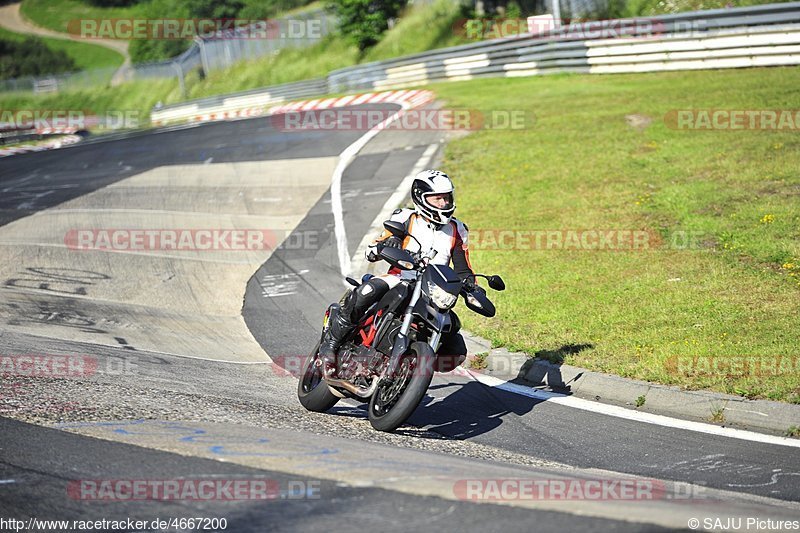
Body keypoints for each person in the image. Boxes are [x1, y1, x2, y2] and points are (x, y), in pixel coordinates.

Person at [319, 169, 479, 376]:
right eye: (437, 198)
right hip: (399, 277)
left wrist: (472, 287)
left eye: (446, 198)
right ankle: (330, 345)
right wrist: (387, 244)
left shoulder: (458, 229)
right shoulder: (405, 216)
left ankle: (408, 371)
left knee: (455, 345)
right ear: (421, 198)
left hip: (432, 289)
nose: (443, 203)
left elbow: (463, 268)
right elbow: (374, 248)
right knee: (368, 290)